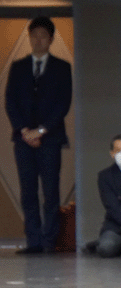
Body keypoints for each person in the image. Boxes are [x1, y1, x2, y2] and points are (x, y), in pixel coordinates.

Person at [5, 16, 72, 254]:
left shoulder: (62, 67)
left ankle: (49, 241)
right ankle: (33, 241)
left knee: (51, 191)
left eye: (43, 36)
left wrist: (41, 130)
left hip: (50, 138)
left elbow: (63, 103)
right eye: (34, 36)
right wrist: (24, 130)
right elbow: (10, 101)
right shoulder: (18, 67)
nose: (38, 40)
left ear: (51, 39)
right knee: (28, 191)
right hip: (23, 139)